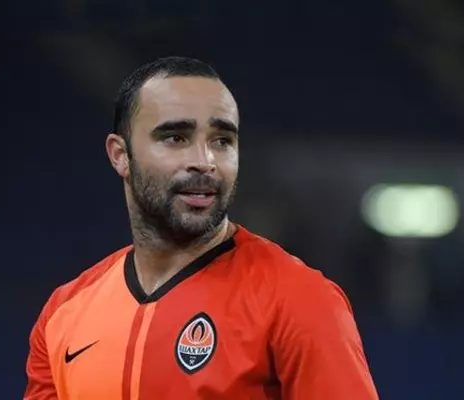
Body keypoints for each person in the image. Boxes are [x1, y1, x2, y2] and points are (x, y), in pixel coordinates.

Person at [24, 56, 379, 399]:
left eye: (222, 141)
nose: (204, 161)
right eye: (176, 138)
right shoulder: (63, 315)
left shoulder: (299, 299)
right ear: (120, 155)